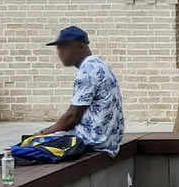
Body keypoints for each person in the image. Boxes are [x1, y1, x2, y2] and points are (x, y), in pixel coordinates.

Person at [35, 26, 124, 157]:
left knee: (34, 142)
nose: (60, 53)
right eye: (59, 49)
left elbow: (72, 117)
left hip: (92, 141)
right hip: (109, 141)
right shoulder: (101, 65)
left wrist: (44, 132)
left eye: (65, 47)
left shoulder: (87, 71)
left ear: (81, 47)